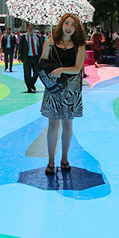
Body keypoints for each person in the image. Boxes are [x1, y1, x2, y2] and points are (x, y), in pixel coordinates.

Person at [40, 13, 86, 175]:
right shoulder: (52, 41)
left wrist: (61, 70)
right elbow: (43, 62)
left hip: (71, 88)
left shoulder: (79, 45)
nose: (69, 27)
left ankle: (64, 158)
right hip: (54, 87)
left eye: (73, 25)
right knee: (52, 125)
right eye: (67, 23)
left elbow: (77, 68)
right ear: (61, 24)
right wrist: (46, 47)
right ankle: (51, 161)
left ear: (77, 28)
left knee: (67, 125)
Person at [18, 24, 43, 93]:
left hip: (36, 57)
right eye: (29, 28)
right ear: (27, 29)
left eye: (32, 28)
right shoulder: (23, 37)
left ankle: (32, 83)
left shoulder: (37, 37)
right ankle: (29, 88)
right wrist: (19, 56)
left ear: (34, 29)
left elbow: (40, 47)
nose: (30, 30)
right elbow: (20, 47)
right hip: (27, 58)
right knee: (27, 74)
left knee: (37, 73)